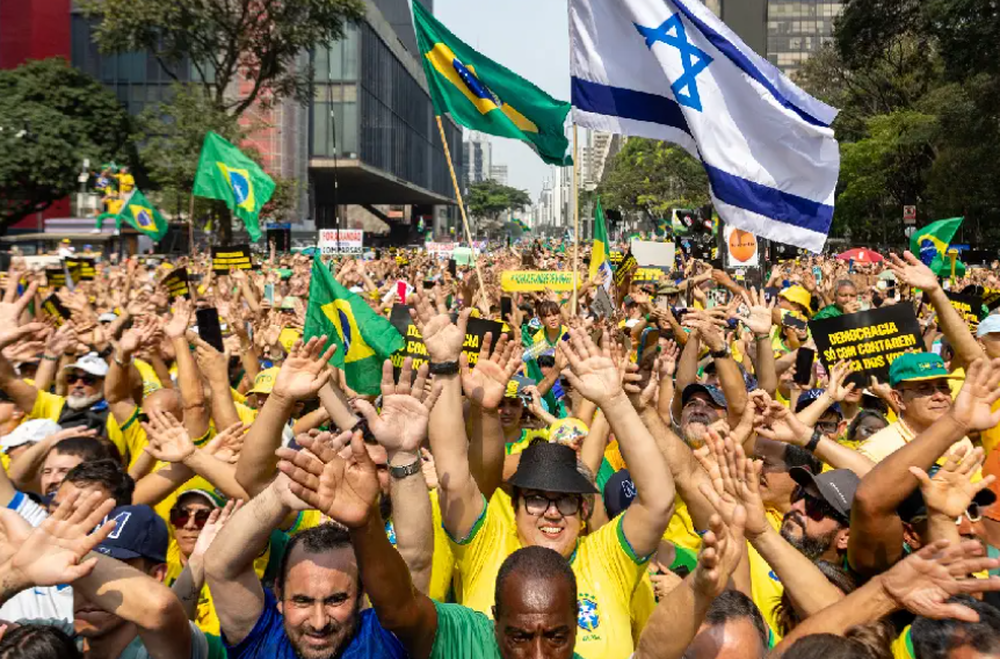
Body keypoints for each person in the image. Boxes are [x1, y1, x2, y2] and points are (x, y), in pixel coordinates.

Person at [274, 429, 587, 659]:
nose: (539, 656)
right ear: (495, 621)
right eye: (519, 637)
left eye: (557, 638)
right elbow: (399, 610)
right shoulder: (466, 639)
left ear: (576, 621)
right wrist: (366, 522)